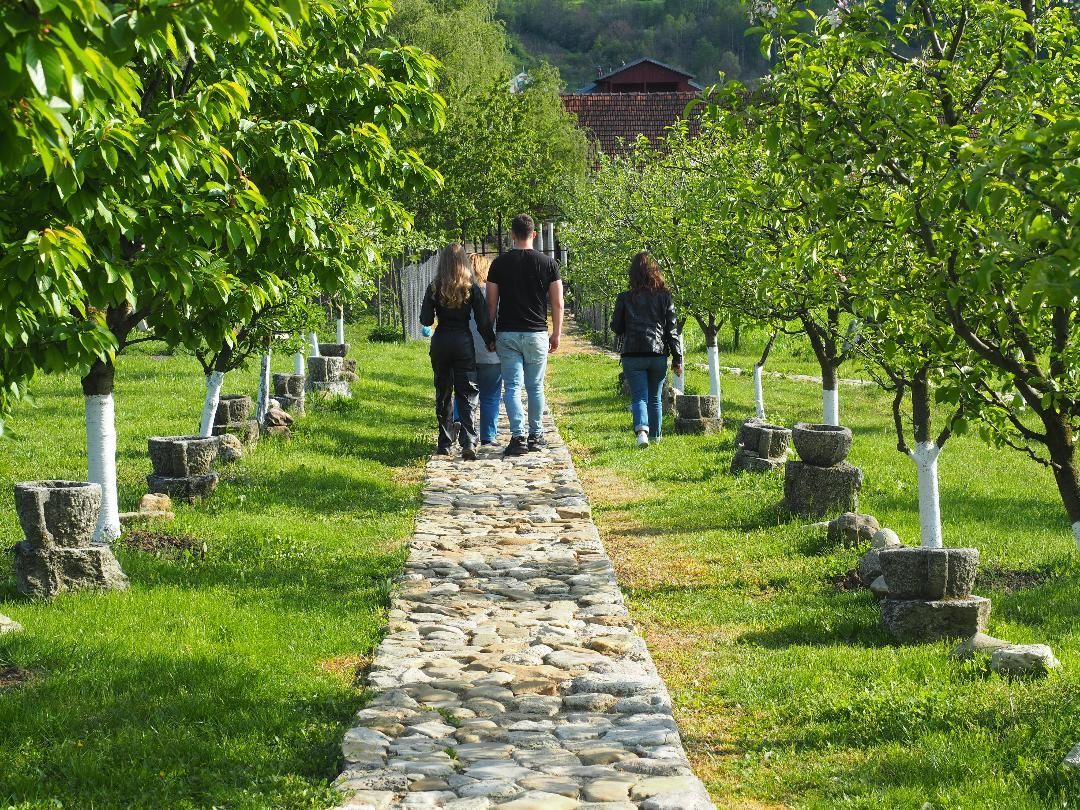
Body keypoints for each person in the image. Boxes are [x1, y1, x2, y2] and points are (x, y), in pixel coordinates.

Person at [486, 214, 563, 457]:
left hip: (508, 332)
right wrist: (556, 333)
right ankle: (536, 435)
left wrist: (489, 333)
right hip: (536, 332)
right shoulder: (549, 264)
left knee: (512, 387)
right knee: (535, 387)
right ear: (534, 234)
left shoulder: (498, 264)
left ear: (512, 234)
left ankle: (518, 436)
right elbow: (558, 302)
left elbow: (491, 304)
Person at [420, 243, 495, 460]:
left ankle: (444, 442)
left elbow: (426, 319)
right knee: (467, 392)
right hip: (463, 342)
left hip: (442, 341)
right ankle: (468, 441)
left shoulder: (435, 286)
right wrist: (490, 341)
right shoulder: (470, 286)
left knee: (443, 391)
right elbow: (482, 320)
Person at [610, 252, 683, 447]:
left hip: (632, 354)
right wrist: (677, 359)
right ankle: (656, 438)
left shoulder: (624, 298)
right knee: (655, 398)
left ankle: (642, 430)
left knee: (639, 396)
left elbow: (616, 327)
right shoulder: (665, 297)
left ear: (632, 274)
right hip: (657, 354)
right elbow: (672, 331)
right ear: (655, 272)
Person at [468, 253, 504, 446]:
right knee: (491, 396)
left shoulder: (461, 293)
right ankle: (488, 437)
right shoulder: (493, 294)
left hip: (467, 351)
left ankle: (462, 425)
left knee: (464, 393)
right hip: (491, 352)